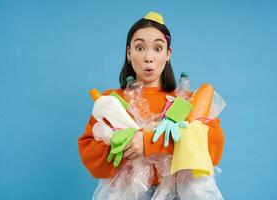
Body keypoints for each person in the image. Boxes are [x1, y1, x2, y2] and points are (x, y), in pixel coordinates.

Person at [78, 11, 225, 199]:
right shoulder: (112, 101)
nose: (149, 57)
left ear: (167, 54)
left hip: (177, 194)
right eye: (140, 48)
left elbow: (212, 147)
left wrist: (148, 144)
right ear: (128, 52)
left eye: (157, 48)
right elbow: (90, 156)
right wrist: (124, 147)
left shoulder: (186, 101)